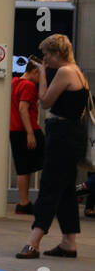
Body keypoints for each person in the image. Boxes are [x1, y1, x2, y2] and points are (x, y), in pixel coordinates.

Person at [17, 34, 85, 259]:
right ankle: (69, 242)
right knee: (65, 190)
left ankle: (33, 241)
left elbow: (45, 101)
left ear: (57, 53)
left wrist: (44, 74)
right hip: (72, 135)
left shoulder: (65, 72)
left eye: (46, 54)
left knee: (49, 187)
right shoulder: (77, 71)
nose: (44, 59)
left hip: (62, 135)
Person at [10, 58, 44, 215]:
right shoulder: (29, 86)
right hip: (28, 129)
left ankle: (23, 202)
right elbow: (24, 108)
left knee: (23, 168)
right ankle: (43, 200)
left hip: (15, 130)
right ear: (35, 71)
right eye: (41, 75)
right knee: (50, 162)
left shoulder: (14, 82)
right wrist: (30, 133)